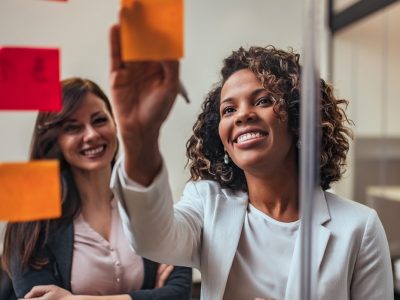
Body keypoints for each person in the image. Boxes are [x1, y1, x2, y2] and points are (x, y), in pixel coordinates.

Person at [108, 24, 394, 300]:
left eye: (262, 101)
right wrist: (140, 138)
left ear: (298, 118)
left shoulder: (359, 227)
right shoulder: (207, 205)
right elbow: (150, 239)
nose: (242, 115)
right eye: (229, 109)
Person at [1, 78, 192, 300]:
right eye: (73, 128)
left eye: (99, 120)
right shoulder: (31, 218)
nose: (91, 135)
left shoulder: (144, 198)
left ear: (114, 123)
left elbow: (178, 294)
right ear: (55, 140)